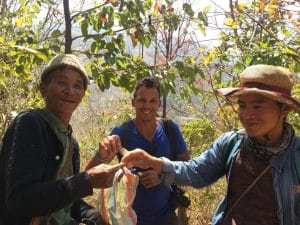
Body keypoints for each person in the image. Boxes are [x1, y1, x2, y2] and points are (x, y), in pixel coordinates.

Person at [120, 65, 300, 225]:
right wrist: (154, 162)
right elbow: (197, 172)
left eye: (258, 107)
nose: (247, 115)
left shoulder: (296, 155)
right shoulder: (232, 144)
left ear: (284, 108)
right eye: (242, 106)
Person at [0, 54, 123, 225]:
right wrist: (87, 180)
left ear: (82, 95)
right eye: (62, 82)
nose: (70, 91)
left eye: (77, 86)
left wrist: (92, 216)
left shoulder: (71, 142)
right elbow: (19, 200)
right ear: (44, 89)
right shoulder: (31, 124)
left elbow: (66, 201)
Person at [86, 77, 190, 225]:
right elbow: (89, 174)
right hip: (128, 218)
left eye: (153, 100)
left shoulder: (170, 130)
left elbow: (187, 165)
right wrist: (100, 155)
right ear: (133, 102)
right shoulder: (122, 133)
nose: (147, 106)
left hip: (166, 216)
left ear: (159, 103)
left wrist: (161, 176)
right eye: (142, 100)